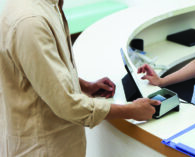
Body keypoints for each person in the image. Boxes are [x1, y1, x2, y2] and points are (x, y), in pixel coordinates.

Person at [0, 0, 160, 156]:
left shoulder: (43, 6)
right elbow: (67, 104)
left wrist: (84, 85)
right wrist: (131, 110)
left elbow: (40, 73)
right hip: (44, 148)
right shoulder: (31, 22)